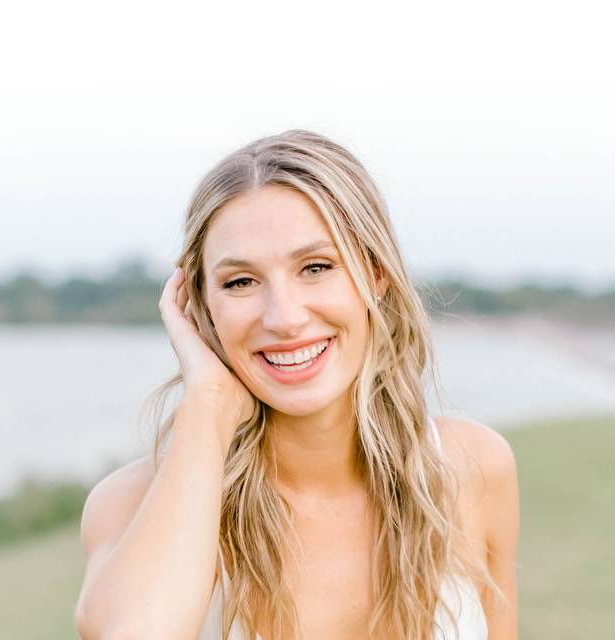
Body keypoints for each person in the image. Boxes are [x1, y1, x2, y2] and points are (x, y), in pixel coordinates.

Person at [75, 129, 519, 639]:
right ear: (197, 306)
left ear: (375, 274)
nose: (284, 318)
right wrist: (209, 400)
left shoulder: (473, 469)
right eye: (240, 281)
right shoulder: (132, 503)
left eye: (316, 267)